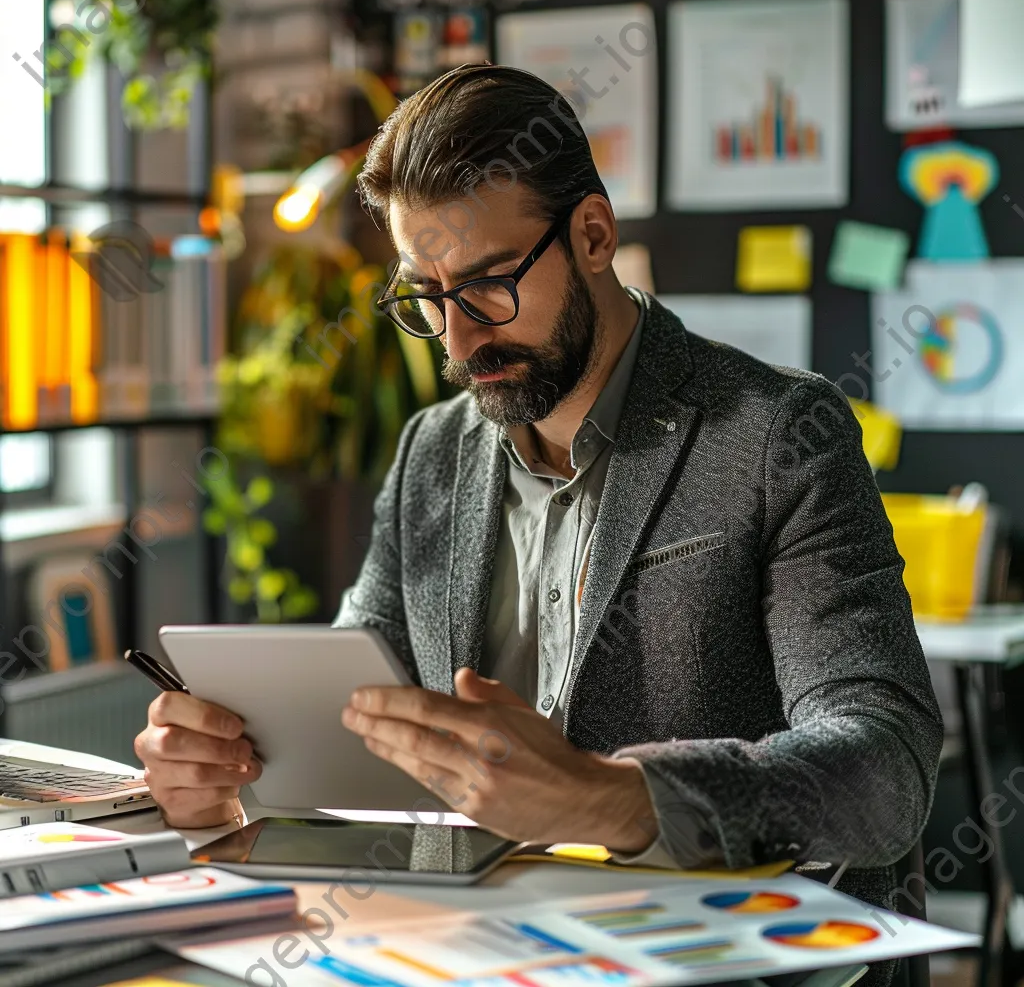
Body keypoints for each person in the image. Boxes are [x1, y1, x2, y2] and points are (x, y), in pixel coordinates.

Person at [136, 64, 942, 981]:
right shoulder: (431, 454)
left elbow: (886, 765)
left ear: (592, 234)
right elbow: (359, 710)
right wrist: (230, 772)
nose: (457, 338)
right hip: (481, 953)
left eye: (486, 286)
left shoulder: (778, 435)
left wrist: (614, 800)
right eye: (425, 295)